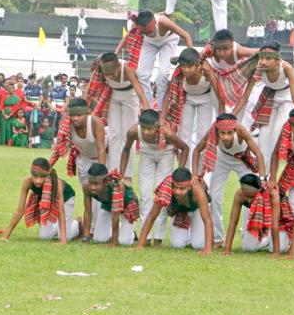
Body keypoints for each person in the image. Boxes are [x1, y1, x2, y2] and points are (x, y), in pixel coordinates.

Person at [192, 113, 267, 246]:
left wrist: (262, 178)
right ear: (217, 131)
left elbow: (258, 154)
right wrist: (195, 175)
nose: (225, 137)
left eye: (229, 133)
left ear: (234, 130)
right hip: (222, 159)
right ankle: (218, 239)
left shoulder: (241, 131)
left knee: (252, 194)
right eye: (222, 133)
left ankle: (248, 236)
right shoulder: (212, 132)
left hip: (241, 159)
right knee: (214, 196)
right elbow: (197, 150)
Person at [118, 109, 188, 244]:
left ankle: (158, 238)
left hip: (166, 154)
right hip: (147, 153)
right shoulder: (133, 131)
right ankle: (147, 237)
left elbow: (185, 148)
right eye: (143, 128)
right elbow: (126, 149)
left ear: (158, 127)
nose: (145, 132)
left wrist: (180, 171)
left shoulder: (168, 133)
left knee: (162, 196)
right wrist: (122, 172)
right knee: (145, 196)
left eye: (150, 129)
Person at [235, 41, 294, 172]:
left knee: (277, 132)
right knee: (264, 137)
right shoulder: (258, 69)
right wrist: (232, 115)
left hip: (286, 99)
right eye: (262, 57)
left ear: (277, 60)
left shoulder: (286, 68)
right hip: (269, 98)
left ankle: (271, 176)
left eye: (268, 58)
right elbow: (245, 97)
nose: (263, 62)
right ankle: (262, 176)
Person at [115, 10, 193, 109]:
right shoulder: (137, 25)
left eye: (148, 30)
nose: (146, 32)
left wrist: (190, 56)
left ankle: (161, 108)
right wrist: (115, 53)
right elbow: (126, 38)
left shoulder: (163, 21)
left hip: (168, 41)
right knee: (141, 74)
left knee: (163, 74)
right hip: (149, 43)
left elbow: (186, 35)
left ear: (153, 23)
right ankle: (148, 108)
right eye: (143, 31)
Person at [88, 53, 149, 171]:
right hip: (114, 97)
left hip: (130, 98)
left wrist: (146, 108)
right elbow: (91, 85)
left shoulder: (127, 70)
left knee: (127, 135)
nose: (110, 77)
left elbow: (139, 90)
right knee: (114, 134)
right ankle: (112, 170)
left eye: (113, 74)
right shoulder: (100, 66)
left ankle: (127, 173)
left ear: (118, 67)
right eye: (107, 74)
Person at [161, 47, 226, 155]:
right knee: (183, 135)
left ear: (198, 65)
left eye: (190, 66)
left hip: (206, 99)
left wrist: (222, 119)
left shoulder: (206, 71)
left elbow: (219, 96)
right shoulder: (178, 73)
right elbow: (169, 94)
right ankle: (184, 169)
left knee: (203, 134)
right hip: (188, 99)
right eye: (183, 66)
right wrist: (162, 117)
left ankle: (200, 171)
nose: (186, 70)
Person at [137, 167, 214, 254]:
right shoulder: (166, 188)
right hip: (180, 211)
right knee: (177, 245)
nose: (178, 192)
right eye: (175, 188)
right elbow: (152, 217)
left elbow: (207, 220)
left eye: (182, 189)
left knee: (199, 245)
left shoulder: (197, 189)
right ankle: (188, 233)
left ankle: (195, 232)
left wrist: (208, 249)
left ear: (189, 187)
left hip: (197, 211)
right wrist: (140, 245)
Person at [1, 158, 79, 243]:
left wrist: (63, 241)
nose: (38, 181)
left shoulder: (57, 184)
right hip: (47, 201)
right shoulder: (27, 182)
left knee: (66, 237)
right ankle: (60, 227)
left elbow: (61, 212)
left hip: (66, 199)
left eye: (42, 176)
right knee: (44, 237)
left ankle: (77, 222)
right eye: (35, 176)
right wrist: (6, 236)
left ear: (48, 174)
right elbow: (20, 210)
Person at [223, 174, 293, 255]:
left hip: (278, 220)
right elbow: (233, 222)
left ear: (259, 190)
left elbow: (275, 224)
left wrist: (276, 252)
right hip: (258, 218)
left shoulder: (272, 194)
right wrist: (227, 249)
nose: (248, 201)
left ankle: (279, 239)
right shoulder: (240, 194)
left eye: (251, 197)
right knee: (249, 248)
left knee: (279, 249)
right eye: (246, 196)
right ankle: (266, 239)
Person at [48, 97, 107, 189]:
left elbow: (101, 150)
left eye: (79, 115)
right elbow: (58, 149)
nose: (75, 118)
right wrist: (46, 168)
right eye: (73, 115)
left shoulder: (95, 122)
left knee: (100, 194)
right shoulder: (66, 124)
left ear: (87, 113)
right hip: (84, 159)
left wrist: (101, 172)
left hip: (104, 158)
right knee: (87, 191)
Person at [82, 163, 139, 246]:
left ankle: (131, 233)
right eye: (91, 183)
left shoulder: (116, 187)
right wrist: (86, 237)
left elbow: (115, 215)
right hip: (108, 205)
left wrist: (114, 241)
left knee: (124, 242)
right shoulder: (87, 187)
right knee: (99, 239)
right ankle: (121, 229)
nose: (93, 187)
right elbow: (87, 212)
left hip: (127, 206)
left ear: (105, 182)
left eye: (96, 184)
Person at [0, 80, 24, 147]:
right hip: (4, 113)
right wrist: (4, 114)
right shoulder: (3, 95)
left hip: (12, 114)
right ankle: (2, 142)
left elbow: (16, 107)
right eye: (9, 88)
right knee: (3, 127)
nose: (11, 89)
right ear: (7, 88)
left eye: (12, 88)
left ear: (14, 89)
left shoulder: (16, 97)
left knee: (10, 128)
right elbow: (1, 105)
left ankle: (10, 142)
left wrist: (10, 114)